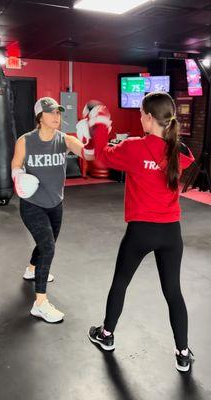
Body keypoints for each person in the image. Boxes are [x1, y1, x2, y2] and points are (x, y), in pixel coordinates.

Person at [80, 93, 195, 372]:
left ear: (147, 118)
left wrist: (99, 127)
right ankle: (182, 352)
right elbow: (187, 158)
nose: (140, 118)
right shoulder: (178, 152)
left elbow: (104, 156)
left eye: (142, 114)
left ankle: (106, 335)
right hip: (171, 233)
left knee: (121, 282)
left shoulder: (133, 147)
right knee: (173, 292)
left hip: (141, 231)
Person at [11, 97, 92, 323]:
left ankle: (31, 269)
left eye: (58, 112)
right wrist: (18, 176)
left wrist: (94, 138)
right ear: (40, 117)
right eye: (51, 113)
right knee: (48, 247)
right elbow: (15, 164)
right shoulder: (25, 141)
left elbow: (87, 152)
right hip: (32, 204)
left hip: (56, 203)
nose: (57, 117)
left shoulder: (64, 139)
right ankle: (40, 304)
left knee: (47, 243)